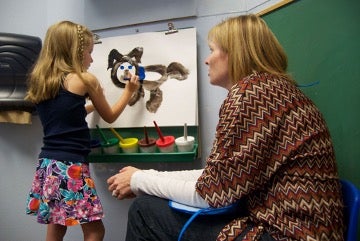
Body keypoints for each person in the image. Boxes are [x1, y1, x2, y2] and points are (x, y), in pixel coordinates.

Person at [107, 14, 345, 241]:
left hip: (285, 234)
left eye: (212, 50)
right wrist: (144, 177)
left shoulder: (251, 95)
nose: (206, 59)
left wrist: (138, 180)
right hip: (304, 230)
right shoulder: (274, 90)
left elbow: (209, 194)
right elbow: (217, 178)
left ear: (236, 53)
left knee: (143, 212)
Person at [25, 20, 140, 241]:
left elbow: (65, 115)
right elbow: (110, 116)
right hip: (71, 167)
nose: (92, 59)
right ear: (75, 52)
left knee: (56, 227)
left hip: (48, 166)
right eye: (89, 52)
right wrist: (129, 91)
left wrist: (88, 106)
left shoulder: (43, 81)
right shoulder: (85, 80)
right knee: (95, 231)